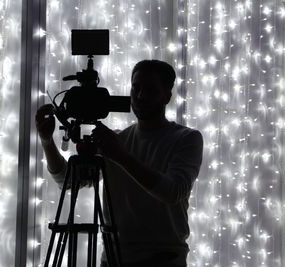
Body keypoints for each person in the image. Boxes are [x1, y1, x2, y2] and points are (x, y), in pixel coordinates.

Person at [35, 59, 203, 267]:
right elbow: (66, 180)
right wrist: (46, 141)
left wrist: (120, 155)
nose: (141, 96)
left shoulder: (187, 139)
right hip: (114, 260)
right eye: (136, 88)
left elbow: (173, 192)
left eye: (150, 90)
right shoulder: (117, 141)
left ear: (167, 96)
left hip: (163, 260)